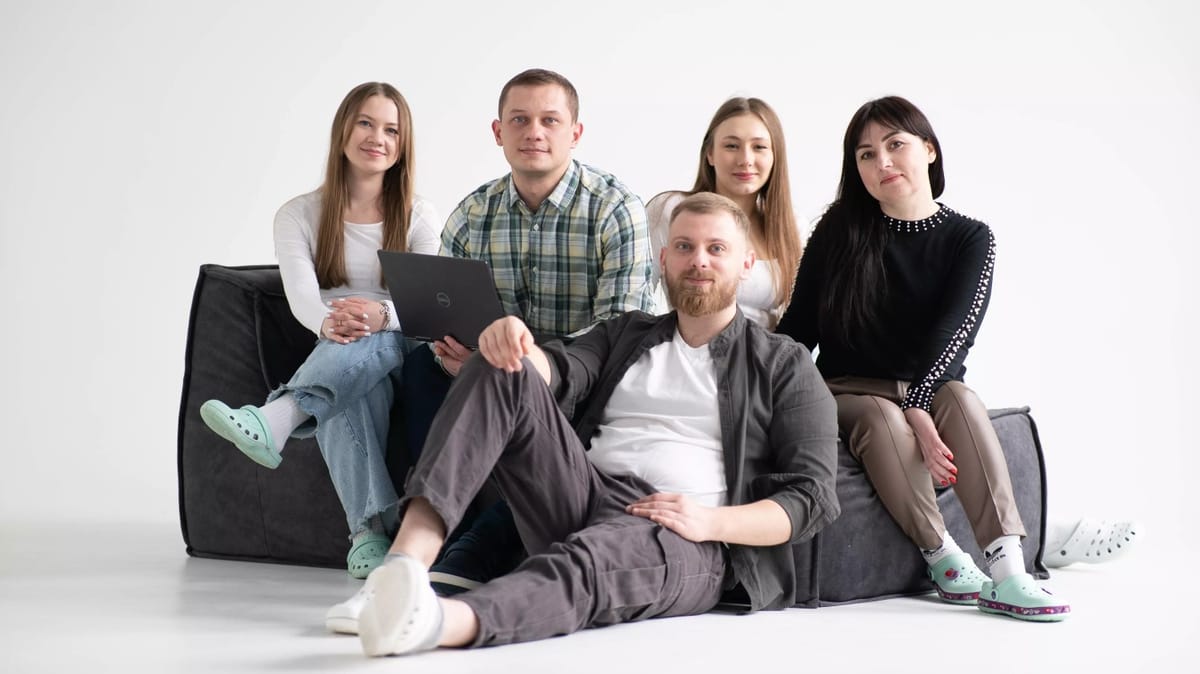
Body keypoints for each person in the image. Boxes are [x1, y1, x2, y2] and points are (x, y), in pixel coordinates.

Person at [346, 192, 839, 656]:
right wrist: (514, 342)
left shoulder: (782, 362)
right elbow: (560, 370)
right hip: (580, 495)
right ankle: (402, 568)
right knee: (499, 362)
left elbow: (811, 496)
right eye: (684, 247)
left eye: (716, 249)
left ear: (746, 264)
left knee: (593, 562)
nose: (699, 261)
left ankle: (435, 621)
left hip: (683, 533)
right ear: (663, 259)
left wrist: (712, 521)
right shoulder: (628, 332)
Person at [776, 95, 1070, 621]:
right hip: (845, 389)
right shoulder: (840, 229)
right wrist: (772, 390)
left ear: (929, 150)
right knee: (880, 416)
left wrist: (919, 403)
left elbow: (955, 335)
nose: (883, 162)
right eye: (866, 154)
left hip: (929, 384)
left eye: (896, 145)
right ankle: (944, 556)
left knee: (961, 398)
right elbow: (798, 328)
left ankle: (1008, 572)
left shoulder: (970, 237)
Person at [389, 68, 655, 597]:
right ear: (498, 132)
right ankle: (437, 530)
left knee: (589, 387)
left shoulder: (615, 209)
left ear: (575, 133)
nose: (534, 132)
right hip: (490, 371)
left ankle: (479, 544)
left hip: (579, 378)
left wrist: (527, 365)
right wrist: (454, 355)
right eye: (519, 120)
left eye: (549, 120)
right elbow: (444, 312)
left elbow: (619, 333)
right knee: (419, 367)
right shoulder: (472, 214)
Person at [198, 82, 440, 579]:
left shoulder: (420, 214)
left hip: (403, 344)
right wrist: (331, 322)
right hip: (338, 347)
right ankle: (369, 535)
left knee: (369, 342)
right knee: (352, 391)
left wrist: (380, 315)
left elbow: (423, 303)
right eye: (366, 123)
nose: (377, 138)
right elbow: (303, 297)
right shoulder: (298, 214)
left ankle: (279, 416)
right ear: (343, 130)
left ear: (403, 144)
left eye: (391, 130)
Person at [647, 97, 802, 329]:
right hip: (688, 347)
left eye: (759, 147)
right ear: (709, 154)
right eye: (731, 146)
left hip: (766, 350)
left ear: (775, 156)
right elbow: (637, 295)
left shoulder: (792, 227)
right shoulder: (671, 209)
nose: (745, 160)